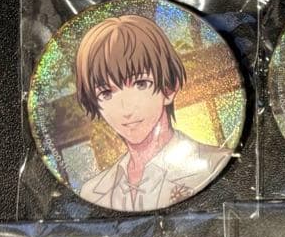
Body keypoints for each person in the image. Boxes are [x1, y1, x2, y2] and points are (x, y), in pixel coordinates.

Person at [73, 14, 231, 210]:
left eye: (141, 84)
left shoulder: (216, 163)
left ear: (169, 88)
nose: (125, 109)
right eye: (106, 93)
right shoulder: (92, 191)